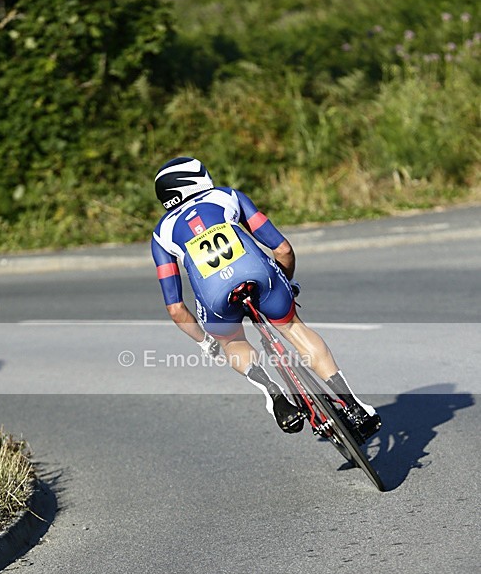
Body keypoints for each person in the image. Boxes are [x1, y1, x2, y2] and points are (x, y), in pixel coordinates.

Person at [151, 156, 381, 440]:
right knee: (294, 327)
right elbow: (282, 249)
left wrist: (204, 342)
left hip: (215, 299)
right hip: (260, 277)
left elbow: (175, 308)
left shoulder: (161, 233)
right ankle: (353, 405)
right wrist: (287, 283)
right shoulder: (226, 196)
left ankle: (275, 396)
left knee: (232, 342)